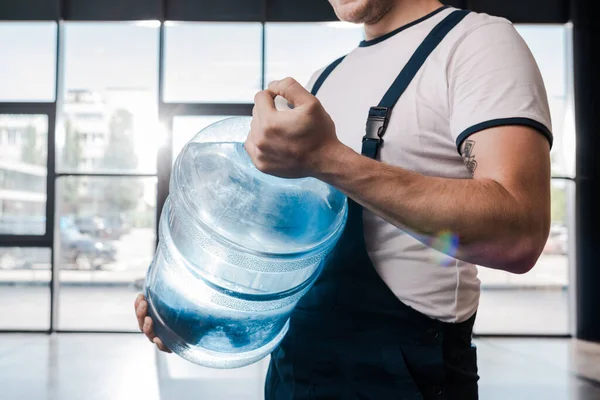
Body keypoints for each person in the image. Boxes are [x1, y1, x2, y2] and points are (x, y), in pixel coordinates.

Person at [135, 0, 552, 398]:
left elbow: (519, 234)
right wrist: (195, 317)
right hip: (295, 375)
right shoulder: (321, 83)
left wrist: (329, 159)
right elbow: (280, 254)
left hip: (405, 380)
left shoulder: (475, 42)